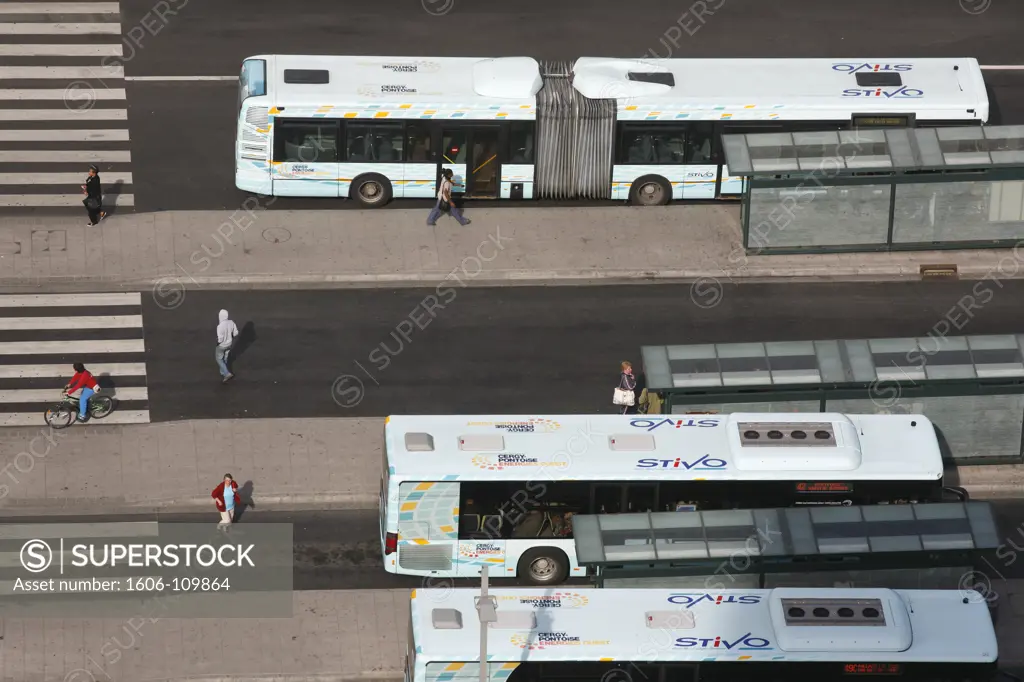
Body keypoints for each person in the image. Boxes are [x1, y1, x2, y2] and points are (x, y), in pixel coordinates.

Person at [216, 309, 239, 383]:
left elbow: (220, 339)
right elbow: (236, 333)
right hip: (229, 344)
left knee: (219, 359)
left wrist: (218, 342)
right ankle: (223, 371)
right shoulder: (231, 322)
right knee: (225, 357)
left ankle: (226, 373)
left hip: (222, 345)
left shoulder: (219, 326)